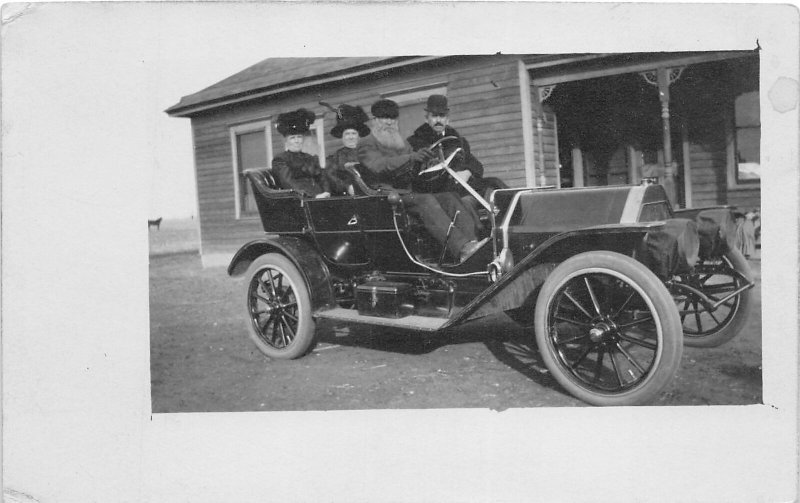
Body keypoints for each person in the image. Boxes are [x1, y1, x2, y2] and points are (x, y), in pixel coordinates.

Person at [357, 98, 487, 262]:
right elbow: (379, 166)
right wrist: (412, 158)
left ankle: (473, 245)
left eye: (392, 118)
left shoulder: (401, 143)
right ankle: (463, 249)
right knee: (426, 199)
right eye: (384, 118)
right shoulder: (366, 143)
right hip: (385, 197)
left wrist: (429, 163)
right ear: (375, 120)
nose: (389, 122)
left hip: (408, 192)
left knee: (449, 196)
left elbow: (413, 166)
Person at [407, 94, 489, 209]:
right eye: (434, 116)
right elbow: (415, 175)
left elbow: (476, 165)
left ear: (447, 119)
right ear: (427, 119)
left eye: (442, 116)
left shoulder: (457, 140)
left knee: (494, 184)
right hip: (435, 191)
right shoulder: (414, 142)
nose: (438, 120)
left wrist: (467, 172)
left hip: (460, 186)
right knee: (467, 202)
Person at [272, 108, 330, 198]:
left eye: (299, 137)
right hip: (300, 200)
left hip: (320, 197)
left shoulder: (310, 158)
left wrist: (327, 192)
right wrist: (313, 196)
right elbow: (288, 183)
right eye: (292, 138)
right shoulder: (280, 160)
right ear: (286, 141)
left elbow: (322, 178)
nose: (297, 141)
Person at [324, 104, 371, 196]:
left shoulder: (369, 152)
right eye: (347, 134)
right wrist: (347, 186)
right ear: (342, 137)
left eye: (353, 133)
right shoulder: (335, 158)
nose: (350, 137)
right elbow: (332, 177)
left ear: (359, 135)